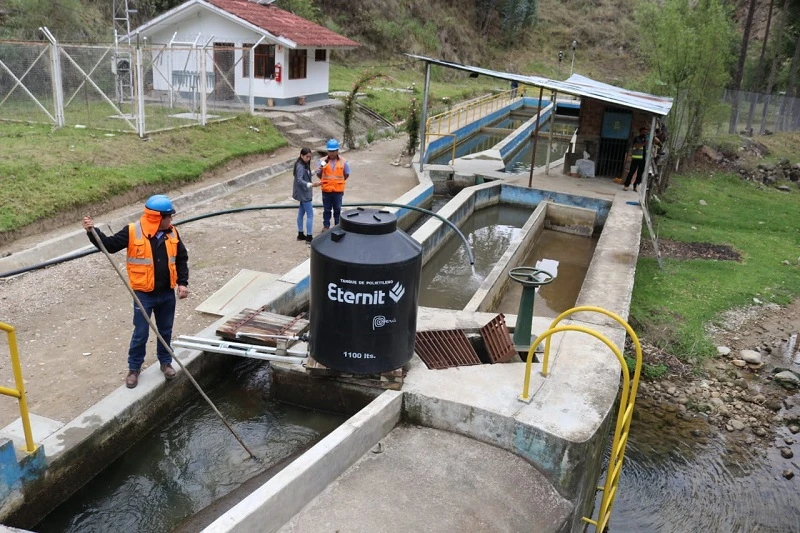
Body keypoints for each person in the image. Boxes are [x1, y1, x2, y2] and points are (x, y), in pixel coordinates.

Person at [82, 195, 189, 389]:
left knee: (165, 330)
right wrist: (92, 231)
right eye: (169, 217)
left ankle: (165, 362)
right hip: (144, 295)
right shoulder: (132, 232)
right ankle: (134, 368)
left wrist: (182, 283)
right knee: (140, 332)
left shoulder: (173, 233)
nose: (171, 220)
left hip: (166, 293)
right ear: (157, 218)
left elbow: (181, 258)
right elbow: (109, 245)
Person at [316, 139, 350, 229]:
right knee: (327, 210)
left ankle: (337, 226)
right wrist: (325, 181)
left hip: (338, 191)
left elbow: (346, 174)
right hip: (326, 190)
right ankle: (326, 226)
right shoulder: (323, 161)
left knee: (337, 209)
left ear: (337, 151)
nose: (331, 153)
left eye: (333, 151)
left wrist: (339, 181)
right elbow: (319, 173)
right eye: (330, 151)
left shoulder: (343, 161)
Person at [293, 147, 320, 242]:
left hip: (302, 193)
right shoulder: (300, 166)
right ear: (301, 156)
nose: (308, 159)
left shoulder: (303, 164)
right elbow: (299, 180)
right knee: (310, 215)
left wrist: (314, 171)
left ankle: (300, 234)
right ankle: (309, 237)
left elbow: (306, 174)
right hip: (304, 193)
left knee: (301, 213)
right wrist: (311, 184)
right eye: (307, 157)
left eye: (310, 157)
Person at [623, 127, 649, 192]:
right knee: (631, 172)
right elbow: (636, 146)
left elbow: (656, 141)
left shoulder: (647, 139)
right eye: (643, 132)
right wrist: (644, 143)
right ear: (640, 132)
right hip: (636, 159)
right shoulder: (637, 138)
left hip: (643, 159)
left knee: (640, 174)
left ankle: (635, 186)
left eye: (646, 132)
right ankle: (626, 185)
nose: (645, 133)